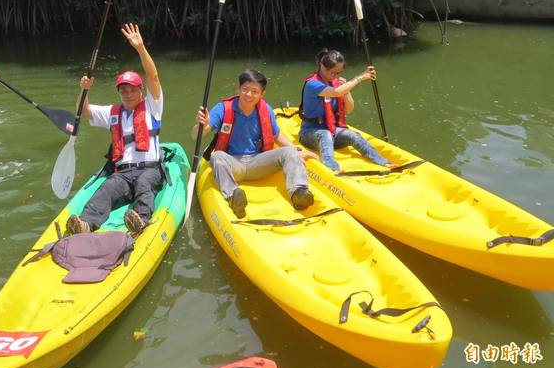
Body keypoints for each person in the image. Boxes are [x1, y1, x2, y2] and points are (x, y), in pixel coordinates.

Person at [66, 23, 163, 237]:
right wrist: (84, 89)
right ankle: (85, 224)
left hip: (149, 170)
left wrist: (140, 48)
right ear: (119, 93)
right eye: (123, 90)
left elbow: (153, 77)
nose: (128, 94)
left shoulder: (153, 107)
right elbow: (85, 110)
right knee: (106, 189)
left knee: (145, 184)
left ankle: (140, 220)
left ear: (141, 91)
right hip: (123, 173)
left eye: (132, 90)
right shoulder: (113, 112)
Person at [193, 69, 316, 218]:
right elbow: (196, 135)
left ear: (262, 94)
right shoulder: (222, 109)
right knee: (217, 156)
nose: (249, 94)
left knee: (290, 152)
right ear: (238, 89)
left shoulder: (266, 110)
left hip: (258, 162)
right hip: (233, 164)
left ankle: (298, 193)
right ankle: (233, 195)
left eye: (254, 91)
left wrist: (296, 151)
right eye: (245, 89)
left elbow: (276, 135)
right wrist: (202, 125)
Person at [298, 48, 393, 173]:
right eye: (333, 73)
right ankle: (332, 169)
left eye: (339, 73)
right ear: (322, 67)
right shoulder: (312, 84)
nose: (336, 76)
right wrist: (359, 78)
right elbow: (336, 93)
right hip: (309, 133)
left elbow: (349, 109)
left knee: (353, 135)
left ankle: (383, 162)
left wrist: (347, 90)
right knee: (324, 135)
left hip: (332, 131)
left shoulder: (337, 84)